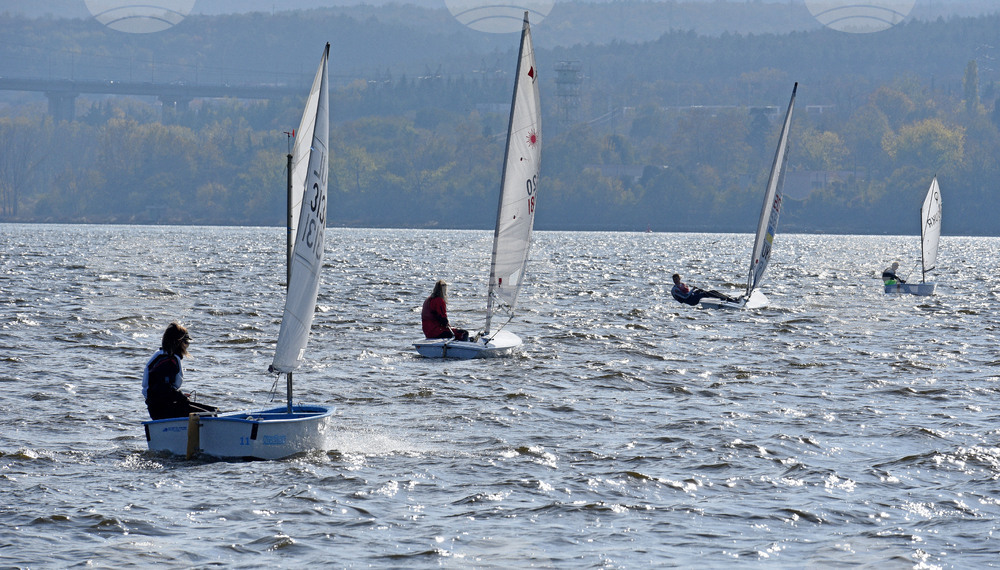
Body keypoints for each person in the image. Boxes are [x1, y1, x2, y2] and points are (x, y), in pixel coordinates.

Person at [142, 322, 217, 420]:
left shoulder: (164, 356)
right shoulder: (168, 361)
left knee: (213, 411)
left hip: (160, 407)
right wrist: (181, 397)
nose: (187, 346)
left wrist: (179, 397)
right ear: (179, 342)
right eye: (186, 342)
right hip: (161, 410)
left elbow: (163, 389)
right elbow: (161, 389)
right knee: (211, 415)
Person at [671, 273, 738, 306]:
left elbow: (688, 293)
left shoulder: (682, 284)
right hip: (690, 301)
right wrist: (692, 290)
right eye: (674, 279)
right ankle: (729, 300)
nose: (675, 280)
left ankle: (728, 298)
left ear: (679, 279)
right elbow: (685, 296)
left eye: (676, 279)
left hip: (692, 296)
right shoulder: (675, 290)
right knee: (706, 294)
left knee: (712, 291)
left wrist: (695, 291)